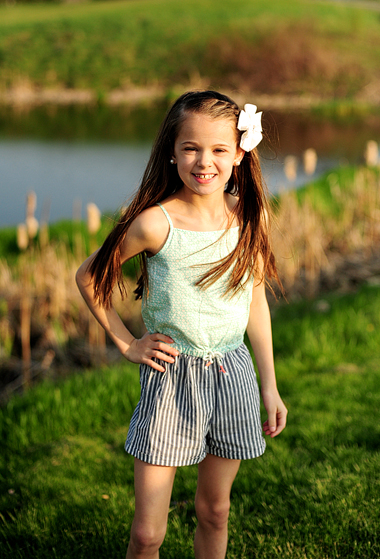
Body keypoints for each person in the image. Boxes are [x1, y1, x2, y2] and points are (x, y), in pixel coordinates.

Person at [76, 91, 287, 559]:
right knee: (148, 534)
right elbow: (90, 276)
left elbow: (254, 301)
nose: (203, 161)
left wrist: (269, 385)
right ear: (172, 152)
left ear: (239, 153)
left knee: (215, 512)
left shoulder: (249, 218)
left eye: (218, 149)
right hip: (171, 379)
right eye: (191, 147)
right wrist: (127, 343)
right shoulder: (155, 223)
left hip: (233, 374)